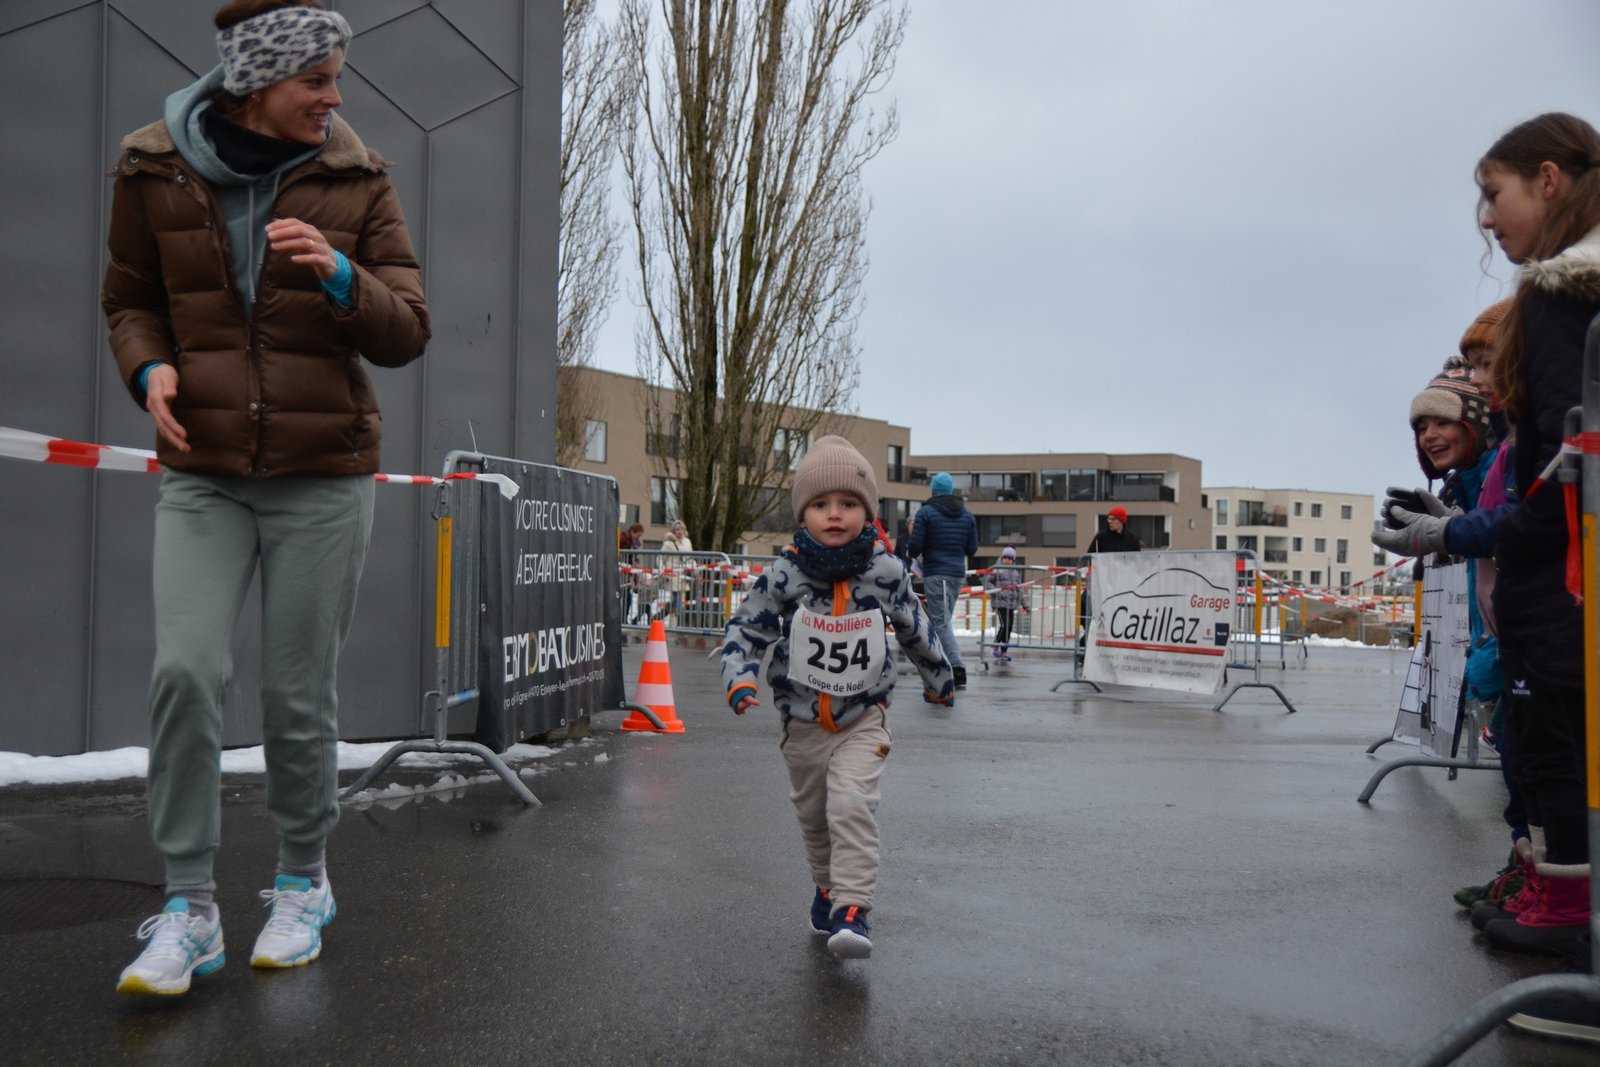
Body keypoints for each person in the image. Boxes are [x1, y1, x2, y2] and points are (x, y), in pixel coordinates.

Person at [103, 0, 429, 996]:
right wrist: (149, 367)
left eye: (337, 76)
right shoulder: (151, 167)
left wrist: (340, 274)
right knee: (185, 672)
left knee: (296, 693)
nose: (336, 97)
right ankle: (189, 906)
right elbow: (129, 298)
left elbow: (408, 328)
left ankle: (302, 881)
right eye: (315, 79)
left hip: (321, 476)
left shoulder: (358, 178)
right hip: (202, 471)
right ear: (253, 79)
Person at [1386, 112, 1600, 1044]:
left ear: (1549, 179)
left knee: (1560, 755)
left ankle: (1579, 943)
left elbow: (1560, 475)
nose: (1485, 218)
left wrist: (1457, 532)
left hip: (1564, 589)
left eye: (1493, 193)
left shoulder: (1560, 297)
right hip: (1561, 583)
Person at [722, 436, 953, 961]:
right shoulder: (785, 575)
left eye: (848, 503)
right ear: (802, 514)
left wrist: (939, 679)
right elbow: (747, 629)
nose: (834, 514)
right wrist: (739, 676)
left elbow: (916, 627)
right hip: (801, 721)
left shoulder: (886, 572)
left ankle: (853, 910)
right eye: (821, 504)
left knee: (851, 804)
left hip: (863, 717)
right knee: (814, 815)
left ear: (867, 512)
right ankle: (826, 889)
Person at [904, 472, 977, 688]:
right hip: (957, 574)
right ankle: (940, 664)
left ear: (933, 491)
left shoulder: (926, 513)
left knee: (940, 622)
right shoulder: (967, 515)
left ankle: (957, 667)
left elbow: (915, 546)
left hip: (936, 573)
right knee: (943, 621)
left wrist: (915, 552)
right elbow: (972, 548)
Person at [984, 546, 1027, 661]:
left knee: (1009, 628)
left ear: (1013, 560)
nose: (1007, 560)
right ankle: (996, 645)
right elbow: (987, 582)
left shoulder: (1016, 572)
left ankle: (1004, 651)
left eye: (1009, 558)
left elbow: (1020, 589)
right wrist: (998, 592)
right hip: (1000, 603)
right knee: (1004, 625)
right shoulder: (997, 570)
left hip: (1011, 605)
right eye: (1005, 558)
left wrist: (1025, 605)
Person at [659, 518, 693, 625]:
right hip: (672, 575)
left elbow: (690, 557)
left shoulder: (687, 542)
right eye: (677, 529)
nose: (679, 531)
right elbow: (660, 558)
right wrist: (663, 570)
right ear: (673, 531)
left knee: (680, 599)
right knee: (678, 599)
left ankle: (663, 615)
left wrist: (693, 568)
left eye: (681, 529)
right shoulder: (668, 543)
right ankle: (678, 623)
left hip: (683, 575)